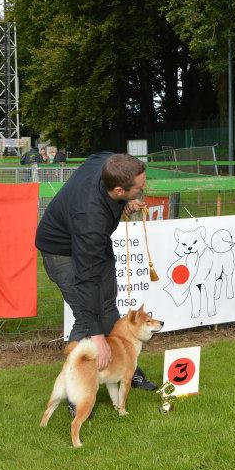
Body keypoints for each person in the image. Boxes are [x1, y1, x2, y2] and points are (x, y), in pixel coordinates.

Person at [35, 152, 158, 394]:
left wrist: (125, 204)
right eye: (139, 189)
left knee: (109, 307)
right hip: (62, 251)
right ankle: (75, 391)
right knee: (85, 314)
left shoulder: (108, 163)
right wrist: (98, 337)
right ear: (120, 190)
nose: (144, 189)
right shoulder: (90, 218)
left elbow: (102, 165)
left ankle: (126, 369)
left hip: (90, 243)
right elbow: (86, 279)